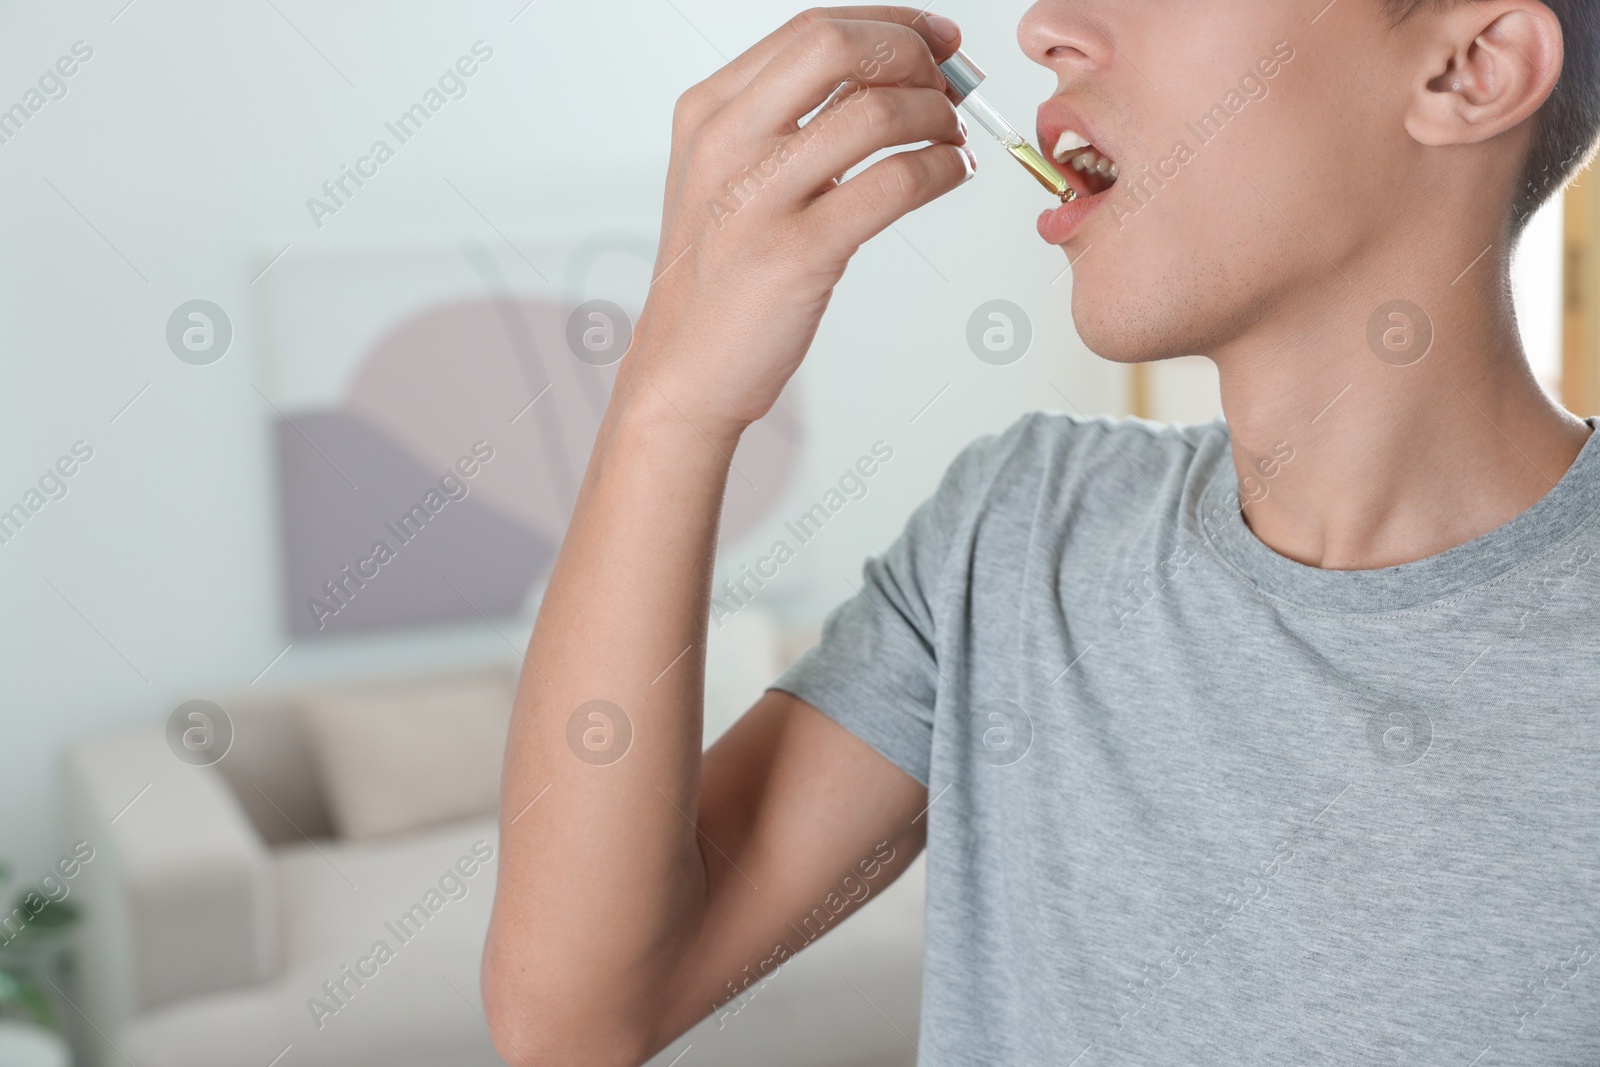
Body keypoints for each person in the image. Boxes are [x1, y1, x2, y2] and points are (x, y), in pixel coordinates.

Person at [483, 2, 1600, 1063]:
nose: (1041, 29)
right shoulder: (1014, 534)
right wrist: (673, 401)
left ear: (1469, 70)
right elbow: (576, 1015)